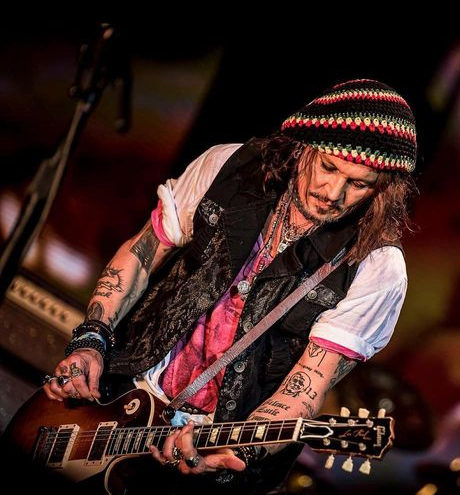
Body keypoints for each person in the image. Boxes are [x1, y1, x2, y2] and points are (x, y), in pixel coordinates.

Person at [40, 78, 419, 493]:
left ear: (383, 190)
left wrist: (237, 450)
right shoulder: (229, 168)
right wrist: (92, 339)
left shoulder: (377, 267)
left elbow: (306, 388)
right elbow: (142, 254)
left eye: (359, 184)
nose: (333, 192)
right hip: (120, 397)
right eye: (328, 167)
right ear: (304, 145)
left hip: (211, 451)